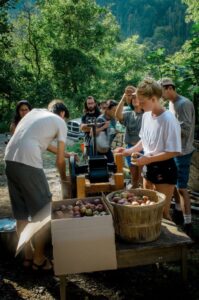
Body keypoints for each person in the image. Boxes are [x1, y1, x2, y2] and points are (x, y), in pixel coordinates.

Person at [4, 99, 73, 271]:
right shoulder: (60, 122)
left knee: (21, 214)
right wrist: (65, 182)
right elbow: (59, 161)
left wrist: (63, 154)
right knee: (44, 212)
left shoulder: (35, 113)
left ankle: (28, 255)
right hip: (28, 164)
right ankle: (39, 259)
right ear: (63, 114)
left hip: (9, 160)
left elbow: (42, 142)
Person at [116, 77, 181, 220]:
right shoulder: (146, 115)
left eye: (142, 101)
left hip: (164, 168)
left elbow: (174, 151)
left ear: (153, 99)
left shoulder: (169, 120)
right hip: (147, 165)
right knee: (147, 206)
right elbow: (144, 141)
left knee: (162, 212)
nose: (138, 104)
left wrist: (149, 158)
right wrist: (128, 151)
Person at [159, 78, 195, 235]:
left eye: (161, 92)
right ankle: (179, 213)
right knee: (173, 184)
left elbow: (186, 130)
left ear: (169, 88)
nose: (161, 96)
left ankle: (188, 223)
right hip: (173, 150)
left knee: (182, 188)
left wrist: (167, 129)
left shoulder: (184, 103)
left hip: (183, 152)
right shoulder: (171, 103)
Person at [115, 86, 144, 188]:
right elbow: (117, 115)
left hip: (142, 150)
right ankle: (135, 195)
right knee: (133, 176)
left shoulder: (147, 115)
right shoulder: (129, 115)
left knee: (140, 176)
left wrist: (137, 92)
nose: (135, 99)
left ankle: (143, 194)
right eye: (133, 98)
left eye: (137, 97)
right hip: (129, 148)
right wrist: (123, 98)